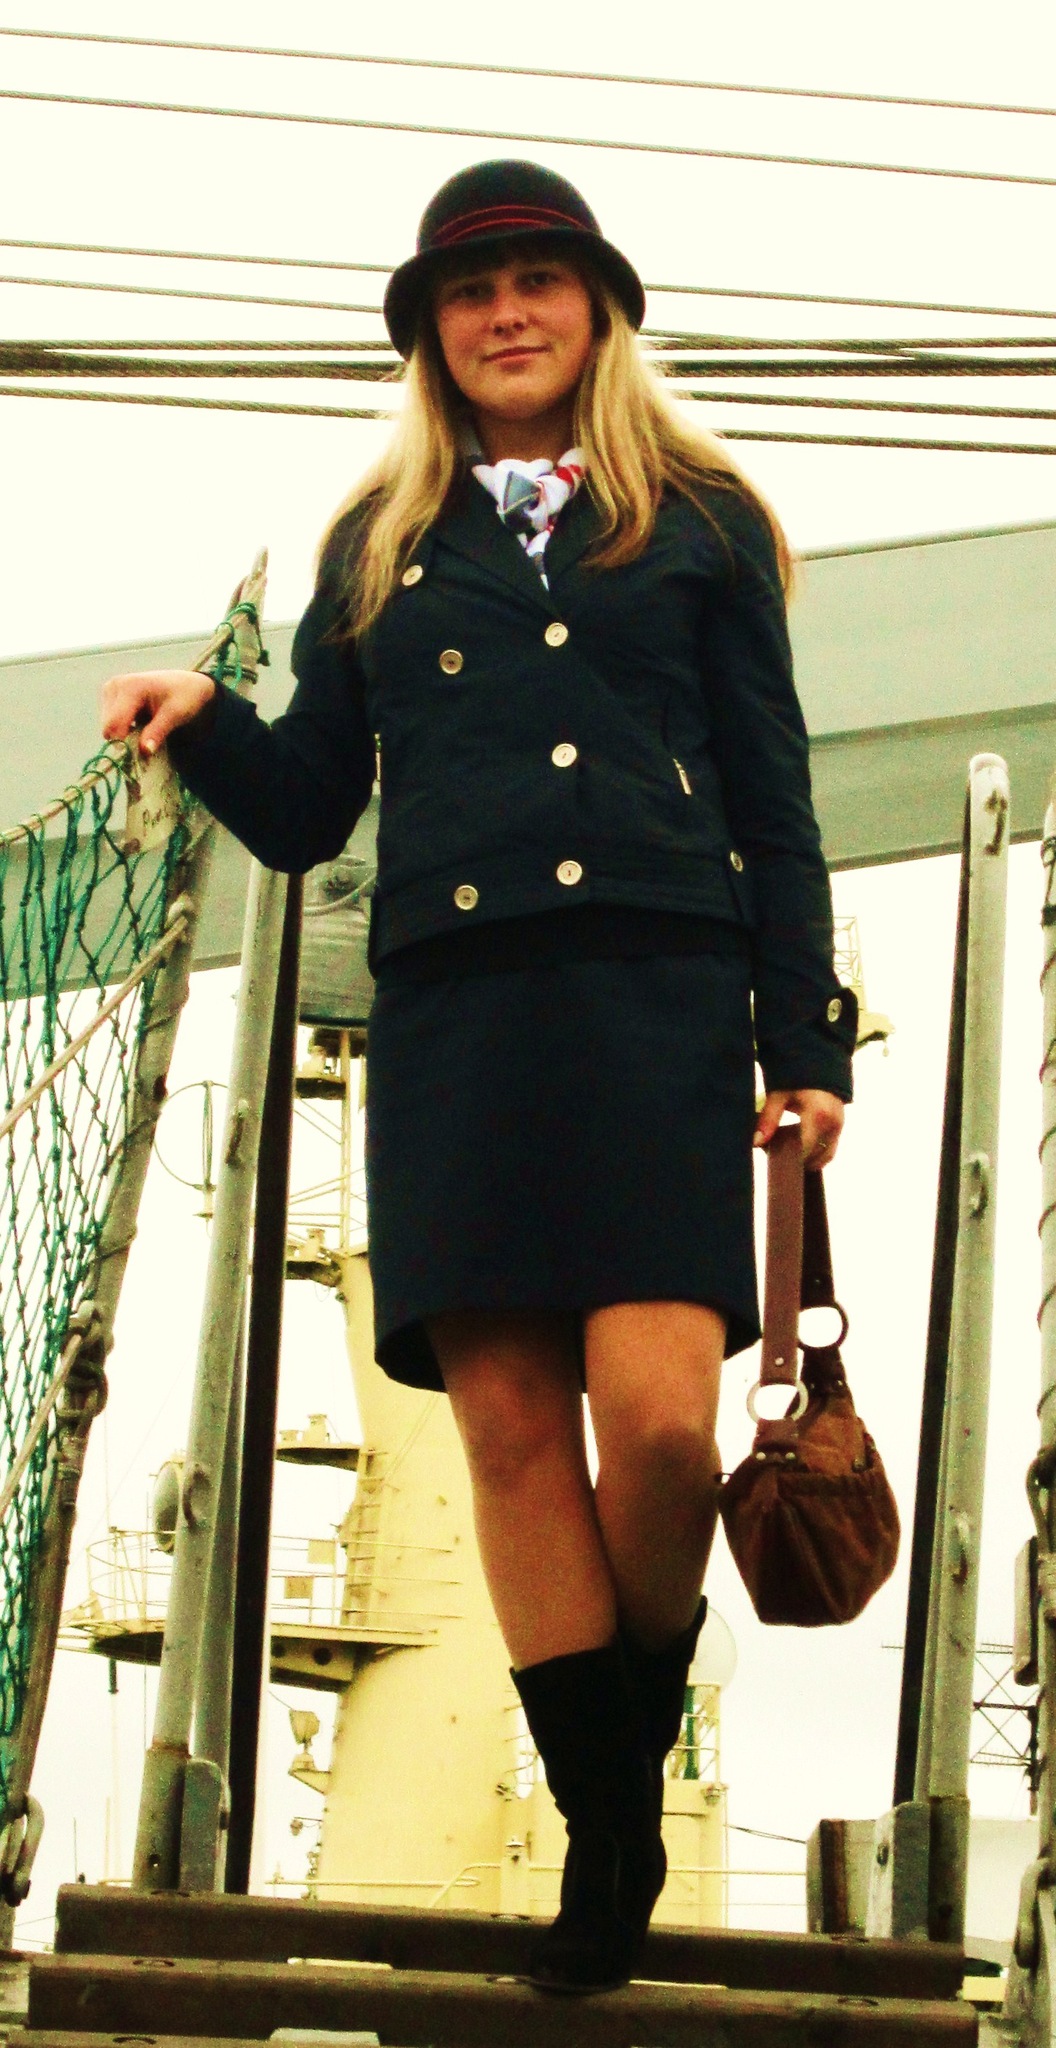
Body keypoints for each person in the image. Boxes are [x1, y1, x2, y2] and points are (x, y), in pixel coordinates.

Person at [101, 159, 855, 1995]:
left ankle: (616, 1744)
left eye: (537, 281)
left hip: (660, 1001)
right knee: (512, 1432)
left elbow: (775, 799)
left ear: (597, 308)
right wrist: (208, 726)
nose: (505, 313)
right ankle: (611, 1829)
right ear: (431, 333)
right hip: (459, 1015)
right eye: (470, 291)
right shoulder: (380, 541)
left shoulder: (703, 520)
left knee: (658, 1426)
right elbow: (308, 811)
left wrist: (806, 1043)